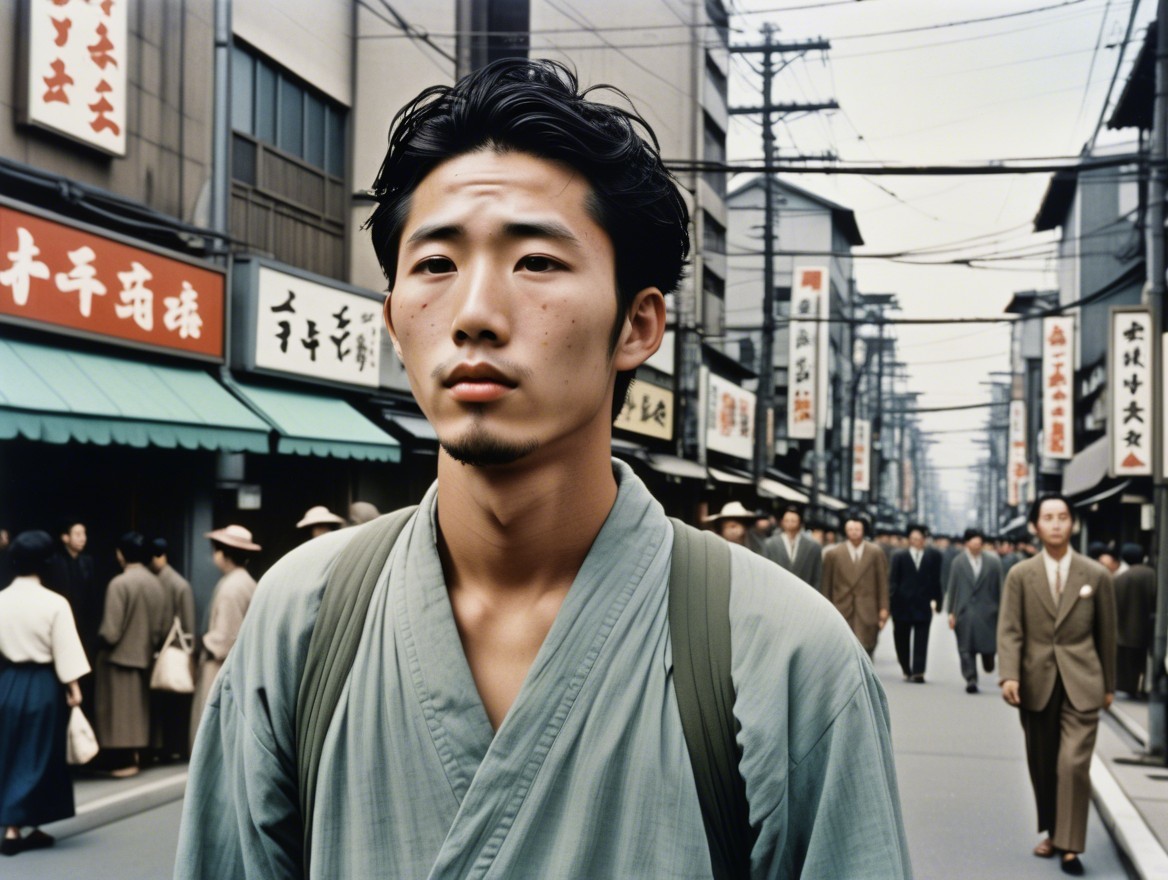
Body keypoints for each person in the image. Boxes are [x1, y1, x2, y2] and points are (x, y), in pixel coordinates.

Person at [175, 59, 910, 879]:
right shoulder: (301, 623)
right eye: (435, 265)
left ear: (637, 324)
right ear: (391, 320)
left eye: (536, 263)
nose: (476, 315)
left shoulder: (785, 657)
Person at [998, 494, 1116, 876]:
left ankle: (1070, 846)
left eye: (1063, 517)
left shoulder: (1095, 575)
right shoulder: (1020, 574)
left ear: (1073, 525)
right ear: (1035, 526)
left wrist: (1109, 685)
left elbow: (1106, 633)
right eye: (1048, 518)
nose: (1056, 524)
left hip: (1083, 682)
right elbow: (1011, 629)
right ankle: (1052, 830)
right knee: (1044, 764)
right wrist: (1009, 674)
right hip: (1036, 681)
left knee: (1073, 765)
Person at [0, 531, 90, 856]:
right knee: (41, 756)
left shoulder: (1, 600)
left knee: (9, 752)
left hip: (8, 682)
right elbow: (65, 651)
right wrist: (74, 690)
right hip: (43, 685)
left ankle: (13, 828)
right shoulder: (55, 603)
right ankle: (29, 825)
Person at [94, 531, 170, 777]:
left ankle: (123, 760)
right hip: (145, 654)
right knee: (137, 710)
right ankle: (138, 755)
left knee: (118, 713)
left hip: (118, 657)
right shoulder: (156, 583)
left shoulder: (119, 583)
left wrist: (98, 641)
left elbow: (111, 631)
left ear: (121, 554)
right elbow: (163, 625)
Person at [189, 526, 261, 744]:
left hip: (220, 667)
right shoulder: (247, 582)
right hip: (239, 666)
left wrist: (204, 643)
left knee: (213, 728)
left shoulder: (232, 587)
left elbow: (225, 636)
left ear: (224, 554)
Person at [44, 518, 100, 717]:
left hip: (84, 628)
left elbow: (93, 599)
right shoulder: (55, 563)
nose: (82, 538)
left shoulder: (88, 562)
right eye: (77, 534)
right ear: (65, 537)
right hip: (63, 625)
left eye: (84, 534)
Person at [149, 538, 197, 761]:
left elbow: (187, 626)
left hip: (172, 651)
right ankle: (168, 748)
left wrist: (187, 652)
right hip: (162, 651)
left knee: (172, 702)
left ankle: (172, 747)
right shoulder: (159, 581)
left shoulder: (178, 585)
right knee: (167, 703)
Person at [821, 513, 890, 658]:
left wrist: (884, 608)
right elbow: (826, 584)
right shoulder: (833, 554)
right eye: (850, 529)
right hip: (841, 605)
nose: (854, 532)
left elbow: (882, 582)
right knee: (842, 649)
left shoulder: (875, 552)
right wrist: (825, 608)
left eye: (857, 529)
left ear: (864, 530)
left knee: (867, 647)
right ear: (845, 531)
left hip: (867, 607)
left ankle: (865, 679)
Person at [945, 528, 1002, 694]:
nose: (977, 545)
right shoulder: (958, 562)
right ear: (967, 543)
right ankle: (970, 678)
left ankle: (988, 659)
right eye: (973, 542)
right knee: (965, 647)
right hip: (965, 611)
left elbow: (1000, 587)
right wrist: (951, 612)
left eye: (979, 542)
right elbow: (952, 587)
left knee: (988, 648)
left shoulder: (993, 562)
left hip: (988, 612)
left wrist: (1002, 610)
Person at [889, 524, 943, 683]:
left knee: (922, 638)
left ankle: (919, 671)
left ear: (924, 540)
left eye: (919, 539)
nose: (916, 542)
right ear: (908, 540)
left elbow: (936, 580)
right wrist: (891, 601)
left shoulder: (932, 557)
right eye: (913, 539)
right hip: (902, 604)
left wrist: (938, 601)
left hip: (923, 603)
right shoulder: (899, 556)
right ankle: (906, 667)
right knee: (901, 638)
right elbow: (893, 581)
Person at [1114, 543, 1155, 698]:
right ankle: (1145, 689)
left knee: (1128, 663)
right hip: (1149, 629)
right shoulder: (1152, 574)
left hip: (1125, 630)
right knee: (1146, 662)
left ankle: (1130, 688)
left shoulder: (1120, 579)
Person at [763, 505, 822, 591]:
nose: (790, 523)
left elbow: (817, 576)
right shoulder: (770, 544)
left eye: (793, 520)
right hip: (777, 590)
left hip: (804, 592)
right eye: (786, 520)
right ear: (782, 522)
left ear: (800, 523)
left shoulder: (813, 546)